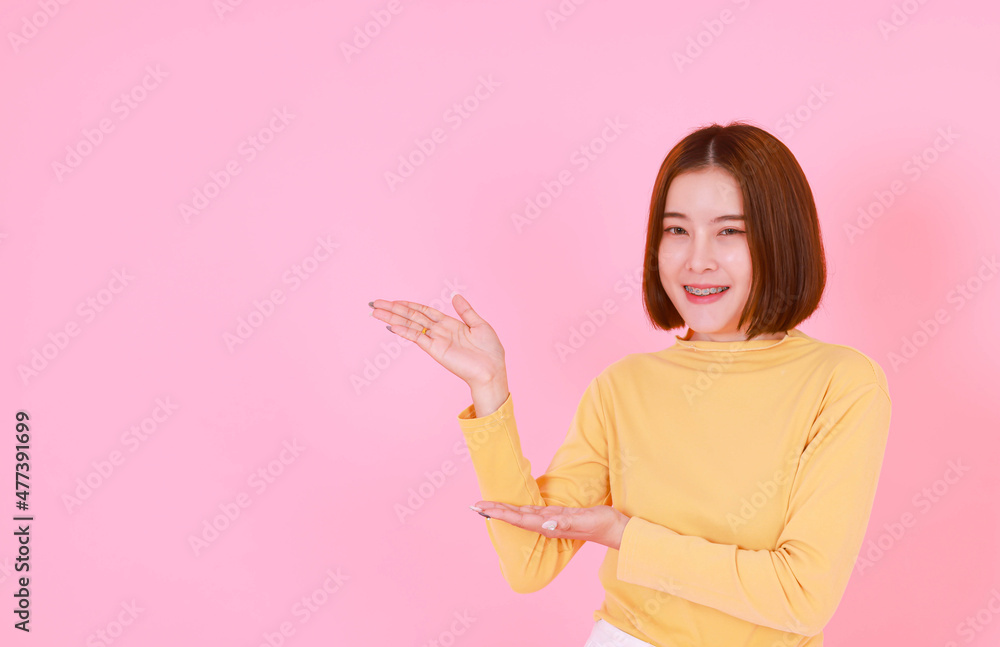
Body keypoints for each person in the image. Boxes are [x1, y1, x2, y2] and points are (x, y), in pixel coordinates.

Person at [369, 121, 892, 646]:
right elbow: (530, 562)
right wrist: (489, 392)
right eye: (676, 230)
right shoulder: (623, 387)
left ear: (781, 238)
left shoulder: (841, 384)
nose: (697, 259)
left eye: (730, 231)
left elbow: (800, 595)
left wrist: (624, 536)